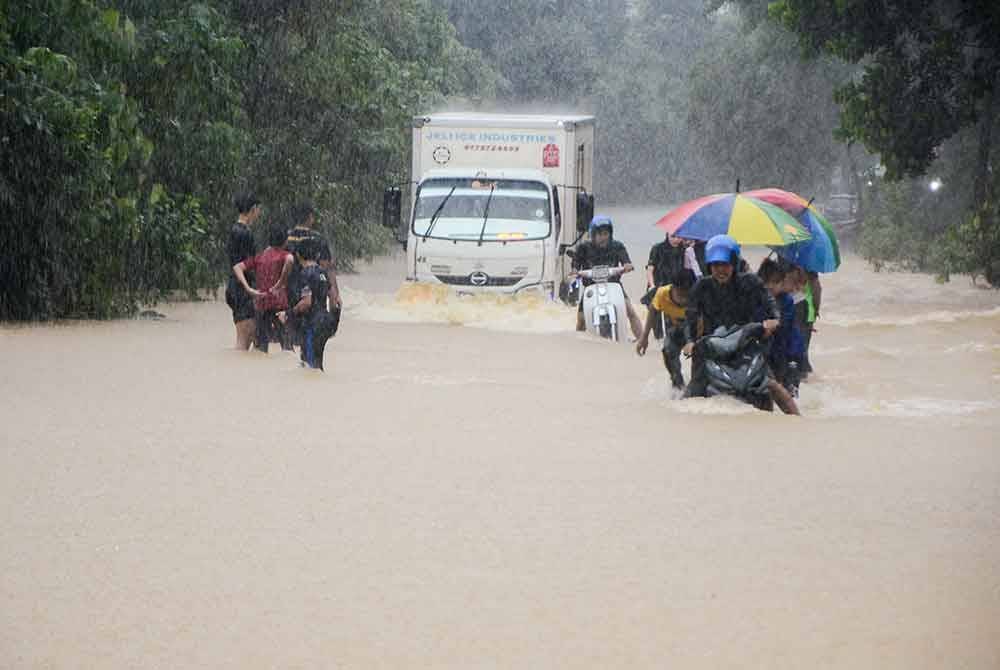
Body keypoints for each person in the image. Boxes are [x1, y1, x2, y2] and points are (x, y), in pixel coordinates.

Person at [681, 234, 799, 415]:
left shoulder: (750, 282)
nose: (720, 270)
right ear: (709, 266)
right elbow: (690, 316)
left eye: (725, 265)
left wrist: (773, 320)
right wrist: (689, 341)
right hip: (713, 345)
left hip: (747, 342)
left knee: (771, 383)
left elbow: (770, 303)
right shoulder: (701, 287)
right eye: (716, 265)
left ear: (734, 264)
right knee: (695, 388)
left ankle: (799, 421)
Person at [571, 215, 643, 339]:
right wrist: (575, 271)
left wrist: (627, 265)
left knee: (630, 311)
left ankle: (642, 340)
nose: (603, 238)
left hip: (614, 286)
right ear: (593, 235)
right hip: (591, 288)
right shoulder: (583, 248)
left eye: (606, 234)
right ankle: (579, 345)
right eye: (599, 234)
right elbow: (575, 266)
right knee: (581, 319)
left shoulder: (617, 246)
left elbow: (626, 261)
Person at [285, 201, 341, 347]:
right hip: (315, 299)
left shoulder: (286, 238)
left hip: (290, 295)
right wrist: (334, 298)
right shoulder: (318, 239)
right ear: (310, 217)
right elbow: (327, 269)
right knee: (311, 339)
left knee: (290, 341)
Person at [232, 225, 294, 353]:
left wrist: (248, 289)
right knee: (287, 347)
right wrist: (280, 283)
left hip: (262, 305)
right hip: (279, 306)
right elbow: (290, 260)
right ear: (285, 241)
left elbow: (237, 267)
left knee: (261, 349)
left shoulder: (260, 257)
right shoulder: (283, 254)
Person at [636, 268, 697, 390]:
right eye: (680, 294)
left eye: (687, 294)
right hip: (675, 328)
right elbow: (653, 312)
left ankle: (698, 384)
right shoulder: (662, 293)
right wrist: (644, 338)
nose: (684, 299)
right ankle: (678, 385)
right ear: (673, 287)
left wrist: (692, 342)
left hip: (696, 329)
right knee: (668, 350)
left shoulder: (698, 294)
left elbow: (705, 319)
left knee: (701, 357)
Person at [290, 238, 339, 371]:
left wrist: (291, 313)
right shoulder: (323, 273)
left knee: (310, 368)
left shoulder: (305, 274)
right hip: (325, 323)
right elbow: (335, 300)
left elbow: (306, 302)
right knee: (318, 365)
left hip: (312, 325)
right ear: (317, 255)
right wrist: (332, 321)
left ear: (298, 256)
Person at [758, 258, 804, 397]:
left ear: (782, 283)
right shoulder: (756, 298)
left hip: (789, 350)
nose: (771, 286)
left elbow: (784, 325)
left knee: (788, 389)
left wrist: (772, 326)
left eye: (775, 282)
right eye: (767, 282)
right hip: (767, 350)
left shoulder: (787, 300)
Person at [225, 192, 260, 350]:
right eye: (258, 210)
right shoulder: (245, 233)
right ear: (253, 209)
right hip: (242, 290)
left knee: (249, 335)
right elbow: (248, 265)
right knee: (243, 342)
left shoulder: (234, 230)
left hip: (234, 288)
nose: (259, 214)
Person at [794, 270, 822, 380]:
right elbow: (817, 292)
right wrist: (816, 310)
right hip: (807, 315)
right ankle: (805, 377)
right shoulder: (811, 272)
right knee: (803, 349)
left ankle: (804, 376)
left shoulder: (789, 268)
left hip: (796, 313)